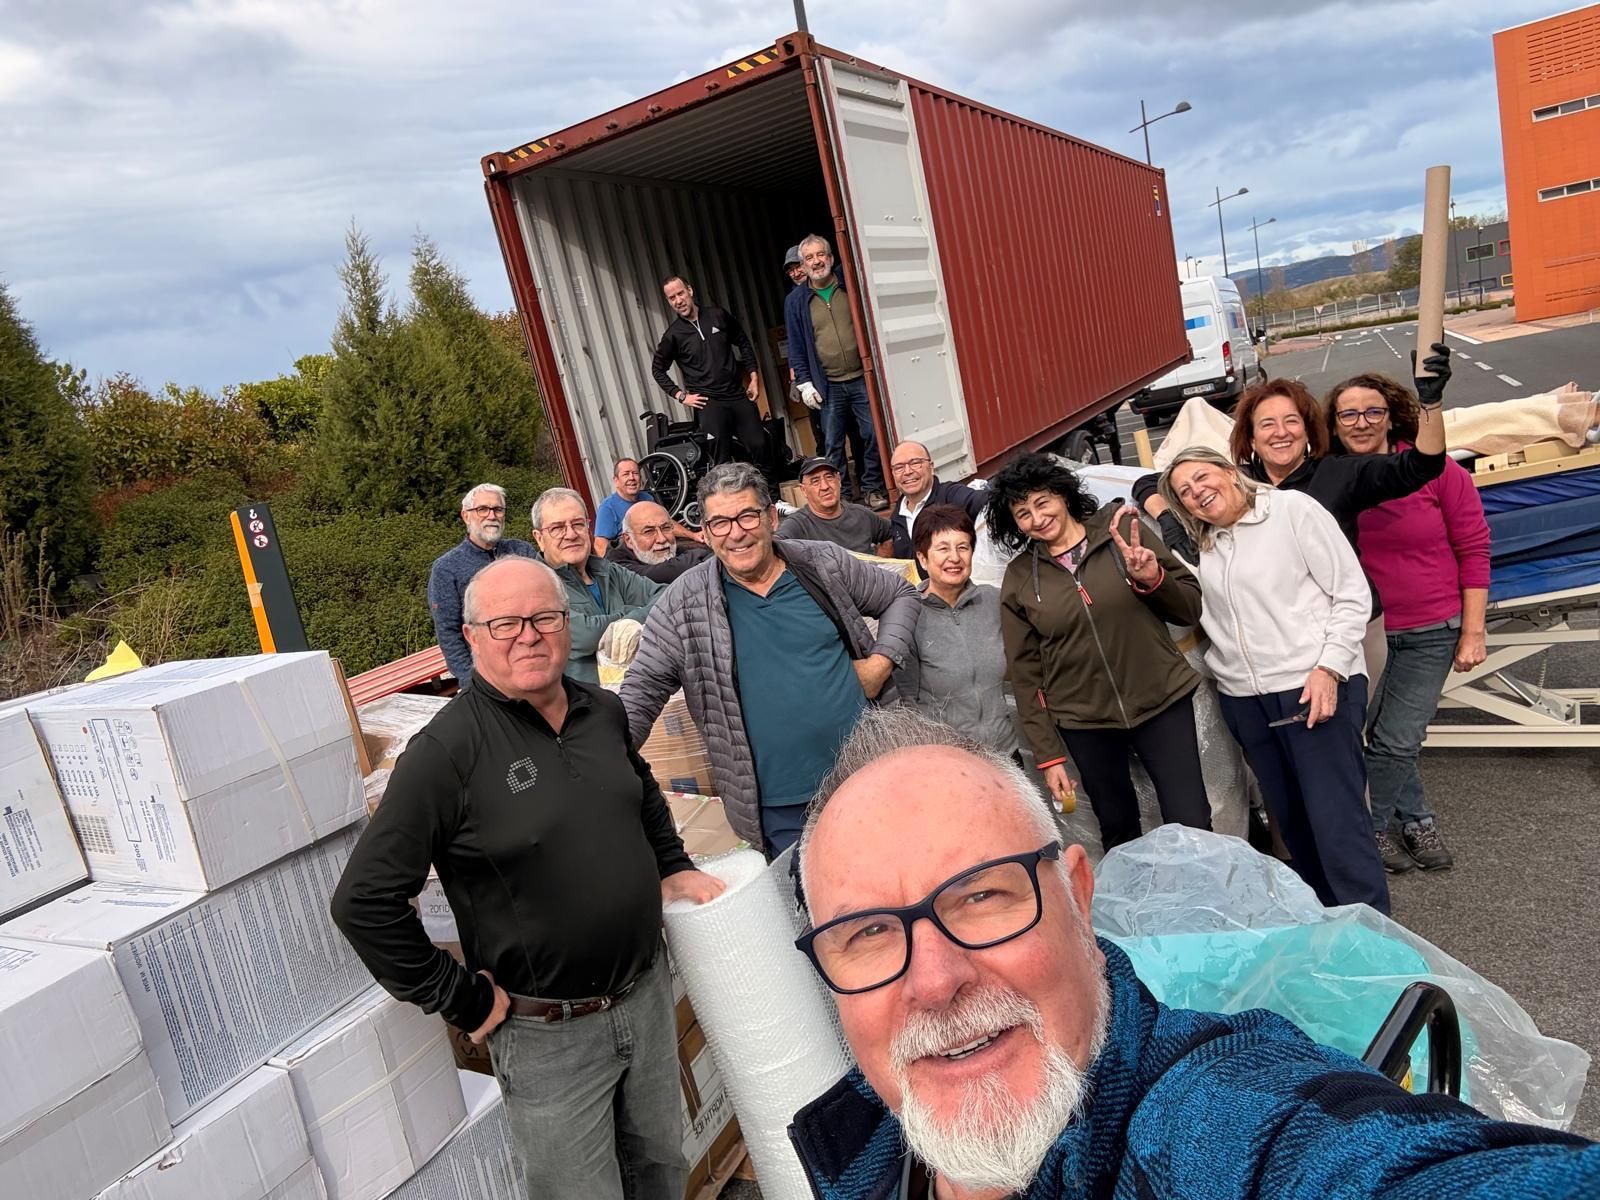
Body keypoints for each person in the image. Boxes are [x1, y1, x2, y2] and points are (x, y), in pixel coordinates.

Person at [787, 706, 1600, 1200]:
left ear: (1077, 895)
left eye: (981, 896)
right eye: (868, 933)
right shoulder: (858, 1137)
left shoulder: (1207, 1122)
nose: (933, 980)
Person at [332, 557, 726, 1200]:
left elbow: (642, 794)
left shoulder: (602, 710)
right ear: (471, 635)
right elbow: (364, 902)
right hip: (549, 1037)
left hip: (646, 998)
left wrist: (674, 866)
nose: (528, 634)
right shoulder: (446, 753)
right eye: (506, 622)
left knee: (661, 1172)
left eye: (544, 617)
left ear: (567, 624)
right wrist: (461, 1000)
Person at [622, 462, 919, 857]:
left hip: (871, 776)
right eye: (721, 523)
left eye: (747, 515)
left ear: (771, 518)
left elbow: (901, 594)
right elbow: (641, 691)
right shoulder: (683, 604)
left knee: (902, 885)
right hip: (781, 808)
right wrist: (603, 758)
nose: (736, 532)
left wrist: (882, 662)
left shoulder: (821, 564)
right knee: (818, 915)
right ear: (707, 534)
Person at [1139, 348, 1451, 693]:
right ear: (1251, 437)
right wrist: (1167, 517)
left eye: (1291, 421)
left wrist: (1430, 404)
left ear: (1307, 430)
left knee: (1344, 730)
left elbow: (1422, 465)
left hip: (1347, 629)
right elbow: (1148, 482)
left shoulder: (1339, 474)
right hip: (1281, 643)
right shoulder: (1237, 482)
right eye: (1267, 424)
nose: (1280, 432)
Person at [1158, 446, 1388, 914]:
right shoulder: (1207, 545)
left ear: (1229, 472)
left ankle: (1373, 935)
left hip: (1312, 685)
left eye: (1202, 477)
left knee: (1337, 822)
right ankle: (1326, 922)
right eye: (1184, 492)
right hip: (1247, 700)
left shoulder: (1291, 511)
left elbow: (1350, 593)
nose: (1197, 492)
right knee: (1295, 825)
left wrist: (1330, 669)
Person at [989, 453, 1211, 850]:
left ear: (1062, 495)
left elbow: (1189, 607)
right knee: (1119, 828)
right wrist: (1049, 756)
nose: (1037, 519)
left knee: (1191, 819)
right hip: (1085, 722)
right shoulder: (1021, 578)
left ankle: (1205, 908)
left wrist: (1153, 578)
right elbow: (1025, 675)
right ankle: (1138, 911)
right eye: (1023, 514)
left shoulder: (1122, 530)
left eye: (1042, 503)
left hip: (1160, 700)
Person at [1327, 373, 1490, 873]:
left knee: (1397, 738)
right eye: (1348, 414)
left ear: (1391, 414)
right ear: (1332, 424)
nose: (1361, 423)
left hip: (1428, 626)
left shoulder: (1434, 470)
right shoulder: (1325, 477)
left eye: (1372, 411)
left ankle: (1371, 828)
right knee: (1377, 735)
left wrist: (1473, 629)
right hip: (1362, 632)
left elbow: (1474, 545)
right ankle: (1416, 817)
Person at [898, 504, 1018, 760]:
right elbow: (905, 703)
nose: (955, 557)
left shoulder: (994, 601)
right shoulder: (907, 615)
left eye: (963, 547)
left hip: (1005, 751)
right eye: (943, 548)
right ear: (922, 558)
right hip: (949, 762)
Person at [784, 233, 888, 510]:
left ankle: (872, 488)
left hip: (860, 377)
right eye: (809, 258)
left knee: (872, 436)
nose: (816, 262)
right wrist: (805, 382)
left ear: (830, 258)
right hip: (827, 384)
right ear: (802, 266)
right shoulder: (795, 301)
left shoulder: (848, 284)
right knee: (833, 444)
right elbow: (796, 346)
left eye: (821, 255)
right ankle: (840, 499)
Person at [531, 487, 662, 684]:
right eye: (557, 528)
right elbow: (586, 636)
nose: (571, 534)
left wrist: (629, 619)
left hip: (641, 689)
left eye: (578, 524)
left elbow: (667, 596)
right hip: (586, 704)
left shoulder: (608, 570)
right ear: (539, 539)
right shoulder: (536, 587)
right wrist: (632, 613)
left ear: (588, 527)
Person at [649, 276, 768, 471]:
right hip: (708, 402)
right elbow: (657, 369)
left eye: (680, 293)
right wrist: (681, 396)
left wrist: (754, 377)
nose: (678, 301)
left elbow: (743, 342)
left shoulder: (718, 316)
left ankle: (772, 498)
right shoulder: (673, 335)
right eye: (672, 298)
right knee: (720, 458)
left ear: (690, 291)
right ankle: (728, 501)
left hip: (737, 394)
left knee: (760, 445)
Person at [427, 482, 538, 683]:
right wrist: (473, 682)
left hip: (534, 662)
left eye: (497, 509)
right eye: (482, 509)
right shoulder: (446, 569)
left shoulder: (523, 552)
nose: (492, 515)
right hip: (489, 677)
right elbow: (449, 633)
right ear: (466, 516)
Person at [888, 440, 988, 566]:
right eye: (899, 467)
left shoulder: (951, 496)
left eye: (915, 463)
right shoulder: (897, 517)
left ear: (931, 467)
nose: (907, 471)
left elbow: (987, 502)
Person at [778, 456, 895, 555]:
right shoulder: (797, 525)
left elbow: (894, 533)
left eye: (829, 477)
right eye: (815, 481)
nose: (824, 486)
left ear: (838, 480)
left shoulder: (861, 514)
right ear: (803, 490)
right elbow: (773, 552)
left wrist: (881, 563)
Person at [607, 500, 712, 586]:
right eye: (648, 532)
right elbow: (662, 573)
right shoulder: (616, 568)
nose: (661, 539)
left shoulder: (653, 549)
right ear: (628, 540)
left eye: (666, 528)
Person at [593, 458, 654, 557]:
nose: (632, 478)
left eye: (635, 473)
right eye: (626, 474)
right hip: (632, 559)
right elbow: (600, 545)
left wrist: (689, 534)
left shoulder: (647, 498)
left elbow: (667, 523)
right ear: (616, 481)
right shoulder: (608, 508)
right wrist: (616, 570)